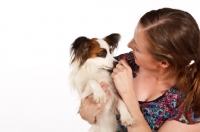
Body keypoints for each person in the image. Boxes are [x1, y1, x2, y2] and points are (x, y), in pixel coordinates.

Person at [79, 8, 200, 132]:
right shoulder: (123, 63)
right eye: (133, 39)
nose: (129, 45)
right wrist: (87, 113)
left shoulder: (191, 102)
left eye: (137, 48)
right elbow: (90, 106)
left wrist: (128, 94)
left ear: (164, 63)